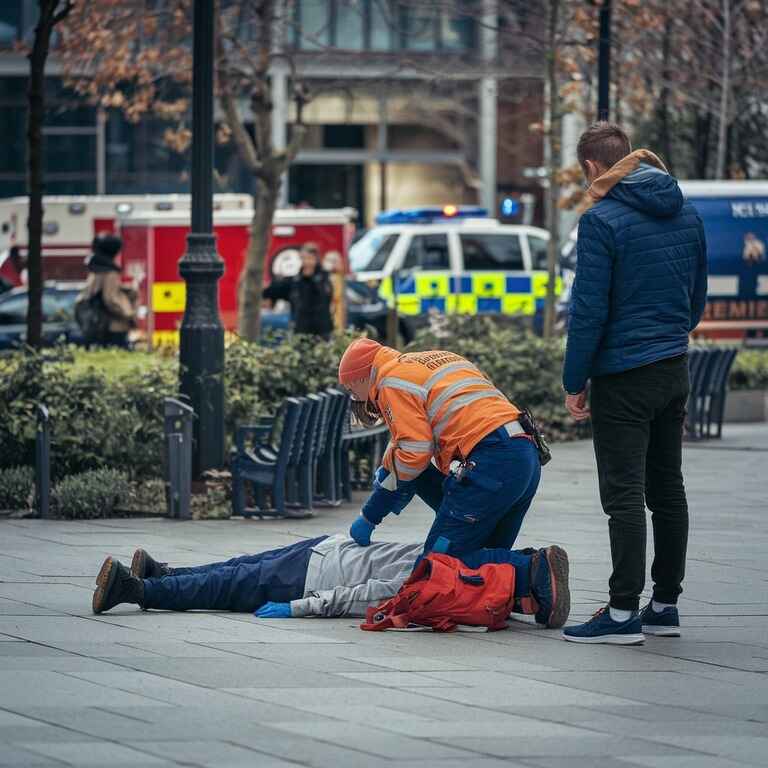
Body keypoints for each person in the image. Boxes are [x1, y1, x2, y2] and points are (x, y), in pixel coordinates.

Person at [560, 122, 707, 645]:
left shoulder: (601, 221)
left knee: (623, 495)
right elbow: (696, 300)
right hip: (673, 367)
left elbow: (589, 310)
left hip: (624, 375)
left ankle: (622, 613)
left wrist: (574, 379)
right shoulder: (687, 212)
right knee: (668, 488)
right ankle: (664, 604)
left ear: (594, 168)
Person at [337, 338, 543, 561]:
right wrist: (387, 486)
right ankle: (534, 575)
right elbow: (411, 456)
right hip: (524, 452)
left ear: (360, 377)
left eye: (352, 391)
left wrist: (369, 515)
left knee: (438, 567)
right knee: (486, 560)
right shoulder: (435, 360)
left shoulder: (390, 382)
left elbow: (413, 453)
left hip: (492, 459)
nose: (357, 399)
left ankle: (534, 569)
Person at [91, 535, 570, 628]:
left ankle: (151, 580)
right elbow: (362, 597)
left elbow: (362, 594)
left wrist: (300, 607)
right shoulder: (443, 582)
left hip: (326, 552)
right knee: (230, 582)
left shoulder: (457, 557)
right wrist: (298, 607)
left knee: (232, 573)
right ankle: (146, 584)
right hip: (319, 568)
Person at [76, 233, 137, 348]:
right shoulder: (110, 273)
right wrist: (129, 315)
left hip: (97, 326)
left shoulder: (95, 270)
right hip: (113, 326)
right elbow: (110, 299)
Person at [262, 242, 334, 338]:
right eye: (304, 258)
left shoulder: (324, 279)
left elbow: (324, 296)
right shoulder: (295, 281)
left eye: (310, 258)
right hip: (300, 333)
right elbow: (274, 291)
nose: (306, 262)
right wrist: (263, 289)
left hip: (322, 333)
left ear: (316, 260)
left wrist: (312, 278)